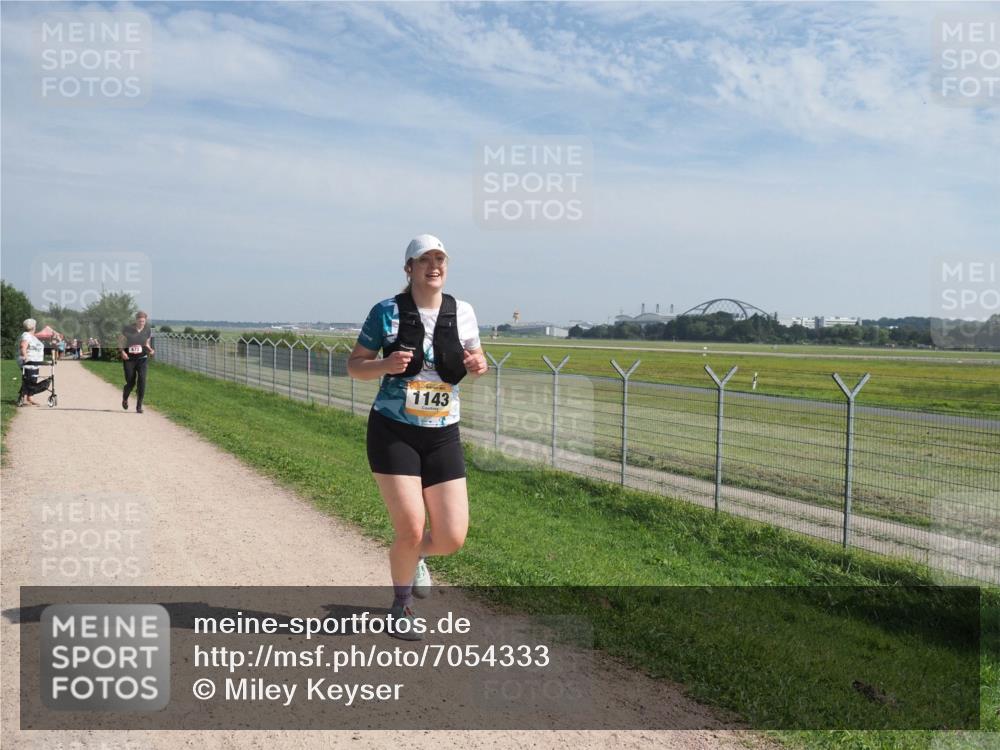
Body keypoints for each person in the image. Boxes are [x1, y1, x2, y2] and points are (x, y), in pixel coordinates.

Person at [347, 234, 488, 640]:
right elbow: (355, 366)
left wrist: (480, 364)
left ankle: (416, 557)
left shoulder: (463, 312)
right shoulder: (386, 312)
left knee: (452, 537)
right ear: (409, 268)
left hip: (443, 433)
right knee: (410, 526)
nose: (434, 266)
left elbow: (478, 361)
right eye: (424, 260)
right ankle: (401, 605)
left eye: (440, 259)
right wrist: (386, 364)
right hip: (393, 430)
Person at [119, 311, 155, 413]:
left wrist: (150, 350)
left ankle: (139, 406)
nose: (141, 323)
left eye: (143, 321)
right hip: (129, 359)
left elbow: (146, 343)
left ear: (145, 320)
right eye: (139, 321)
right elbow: (120, 341)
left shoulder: (147, 330)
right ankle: (125, 398)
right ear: (136, 320)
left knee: (142, 381)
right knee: (130, 382)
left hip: (142, 358)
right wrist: (122, 352)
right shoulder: (128, 329)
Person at [17, 319, 46, 406]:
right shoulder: (26, 335)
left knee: (33, 380)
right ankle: (24, 397)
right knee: (28, 380)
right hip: (29, 363)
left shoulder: (31, 335)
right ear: (33, 326)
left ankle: (30, 398)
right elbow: (23, 347)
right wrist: (26, 358)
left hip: (35, 363)